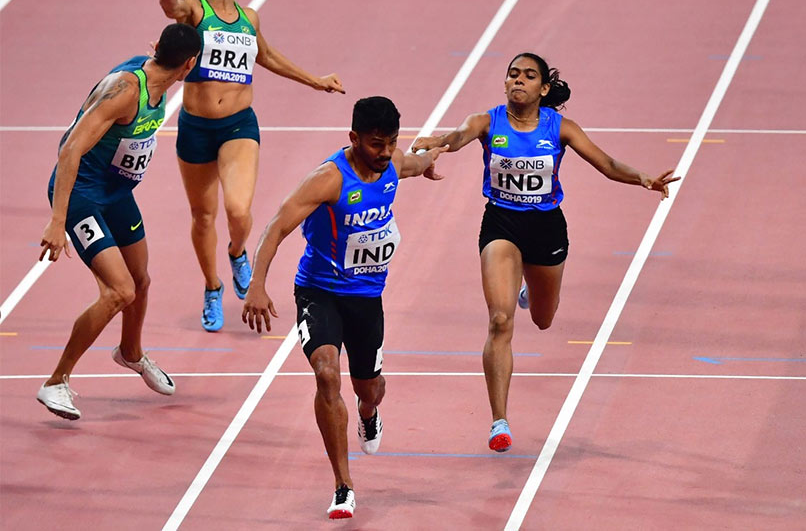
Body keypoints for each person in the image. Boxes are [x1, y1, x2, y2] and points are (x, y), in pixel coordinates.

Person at [412, 53, 680, 453]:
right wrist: (436, 145)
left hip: (546, 228)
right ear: (505, 84)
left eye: (529, 76)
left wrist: (643, 178)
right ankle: (498, 421)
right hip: (501, 223)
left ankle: (530, 292)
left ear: (544, 88)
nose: (518, 80)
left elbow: (605, 163)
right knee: (500, 321)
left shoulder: (561, 128)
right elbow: (457, 136)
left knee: (542, 319)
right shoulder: (487, 122)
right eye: (513, 74)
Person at [241, 97, 447, 519]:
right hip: (320, 292)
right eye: (376, 144)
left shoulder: (391, 164)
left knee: (368, 390)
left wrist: (429, 159)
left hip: (367, 299)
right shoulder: (328, 179)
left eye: (391, 142)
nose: (385, 152)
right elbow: (277, 225)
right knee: (326, 373)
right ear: (353, 138)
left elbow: (413, 163)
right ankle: (343, 485)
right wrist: (257, 284)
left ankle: (368, 414)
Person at [159, 0, 345, 332]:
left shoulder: (250, 18)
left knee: (239, 211)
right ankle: (212, 286)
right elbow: (171, 8)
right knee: (203, 215)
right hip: (195, 127)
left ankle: (237, 251)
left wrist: (316, 81)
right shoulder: (196, 10)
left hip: (238, 125)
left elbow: (268, 56)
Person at [36, 23, 202, 420]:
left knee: (141, 280)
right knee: (119, 291)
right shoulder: (127, 91)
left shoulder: (158, 79)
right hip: (81, 196)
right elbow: (70, 150)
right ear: (189, 65)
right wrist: (57, 221)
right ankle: (55, 382)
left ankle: (130, 352)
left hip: (116, 194)